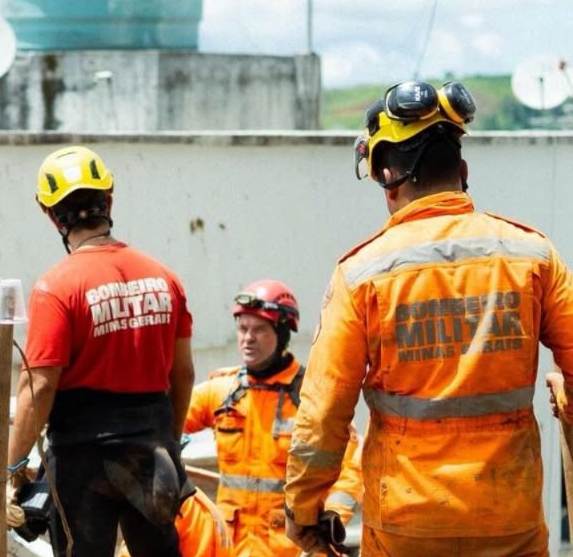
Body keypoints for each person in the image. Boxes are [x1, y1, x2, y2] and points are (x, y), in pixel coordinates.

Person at [284, 80, 573, 556]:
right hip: (510, 520)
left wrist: (303, 507)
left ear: (387, 177)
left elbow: (323, 410)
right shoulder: (532, 255)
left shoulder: (361, 274)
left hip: (406, 528)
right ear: (462, 171)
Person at [6, 145, 196, 557]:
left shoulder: (56, 287)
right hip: (152, 448)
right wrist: (170, 442)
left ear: (51, 214)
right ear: (108, 200)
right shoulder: (165, 278)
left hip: (82, 461)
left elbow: (39, 388)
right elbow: (183, 375)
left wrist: (13, 467)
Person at [184, 279, 362, 557]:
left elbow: (351, 467)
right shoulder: (222, 392)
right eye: (242, 329)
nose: (248, 338)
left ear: (282, 332)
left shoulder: (311, 398)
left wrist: (331, 519)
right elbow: (165, 421)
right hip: (233, 549)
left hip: (293, 549)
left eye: (259, 329)